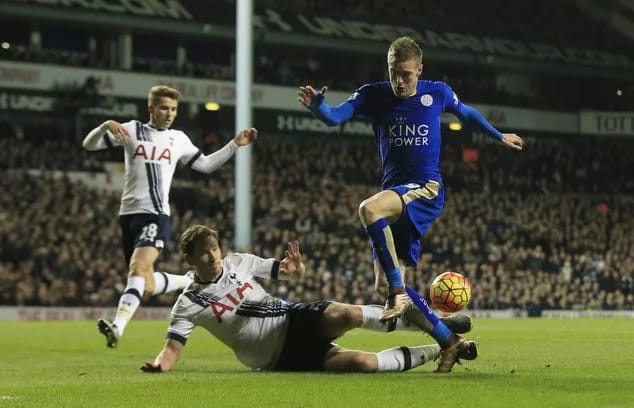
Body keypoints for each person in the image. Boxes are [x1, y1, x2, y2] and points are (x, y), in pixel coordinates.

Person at [297, 37, 524, 326]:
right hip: (395, 195)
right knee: (381, 285)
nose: (399, 81)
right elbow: (335, 116)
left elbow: (465, 112)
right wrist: (318, 108)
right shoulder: (373, 95)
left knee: (369, 211)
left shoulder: (437, 93)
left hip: (425, 188)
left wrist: (499, 135)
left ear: (419, 70)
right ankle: (445, 333)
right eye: (393, 72)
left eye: (406, 74)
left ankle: (398, 292)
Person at [140, 224, 478, 374]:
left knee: (344, 313)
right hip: (275, 358)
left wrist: (294, 268)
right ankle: (440, 344)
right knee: (362, 364)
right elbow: (171, 350)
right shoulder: (187, 304)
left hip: (291, 317)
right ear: (189, 259)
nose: (213, 257)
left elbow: (285, 272)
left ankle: (437, 326)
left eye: (214, 249)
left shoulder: (237, 262)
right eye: (204, 253)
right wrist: (159, 366)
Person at [82, 85, 258, 349]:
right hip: (128, 215)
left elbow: (207, 164)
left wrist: (235, 144)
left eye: (174, 109)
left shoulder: (178, 139)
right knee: (147, 283)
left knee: (137, 270)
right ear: (151, 108)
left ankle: (117, 327)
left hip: (156, 215)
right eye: (164, 108)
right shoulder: (131, 130)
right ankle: (187, 280)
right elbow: (89, 145)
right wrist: (106, 125)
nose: (169, 113)